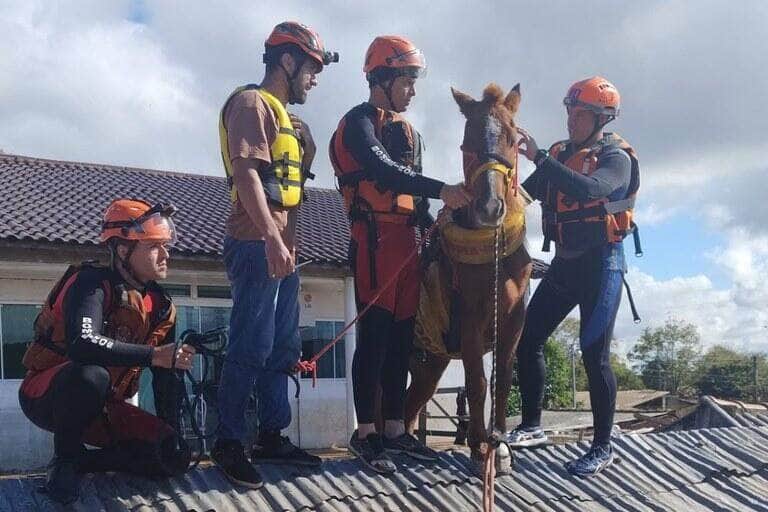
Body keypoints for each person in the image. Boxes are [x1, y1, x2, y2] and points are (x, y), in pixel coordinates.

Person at [329, 35, 472, 474]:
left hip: (408, 243)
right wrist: (441, 187)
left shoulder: (411, 133)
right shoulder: (358, 123)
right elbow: (383, 171)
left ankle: (396, 431)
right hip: (374, 241)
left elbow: (418, 199)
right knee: (373, 338)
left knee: (400, 341)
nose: (412, 89)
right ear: (384, 77)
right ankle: (366, 432)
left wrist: (437, 223)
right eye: (407, 80)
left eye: (413, 81)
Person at [213, 21, 337, 488]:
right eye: (311, 68)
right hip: (254, 243)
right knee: (251, 344)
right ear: (287, 61)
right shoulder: (251, 105)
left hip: (283, 248)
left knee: (282, 346)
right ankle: (228, 442)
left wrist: (284, 243)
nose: (315, 78)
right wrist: (270, 237)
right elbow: (246, 175)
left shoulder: (287, 118)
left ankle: (270, 434)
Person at [18, 199, 192, 504]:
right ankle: (65, 461)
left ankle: (87, 463)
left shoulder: (163, 307)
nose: (166, 254)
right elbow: (82, 344)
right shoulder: (91, 283)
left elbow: (167, 379)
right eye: (154, 246)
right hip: (48, 393)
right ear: (123, 250)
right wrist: (153, 355)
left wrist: (170, 434)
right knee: (90, 375)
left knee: (173, 455)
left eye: (166, 245)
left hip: (105, 408)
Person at [509, 76, 640, 476]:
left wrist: (541, 158)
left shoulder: (616, 157)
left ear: (601, 118)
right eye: (569, 110)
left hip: (602, 264)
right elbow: (523, 196)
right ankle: (532, 426)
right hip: (567, 263)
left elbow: (591, 189)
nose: (570, 119)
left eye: (579, 112)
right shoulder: (561, 154)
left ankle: (603, 447)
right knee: (527, 337)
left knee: (593, 354)